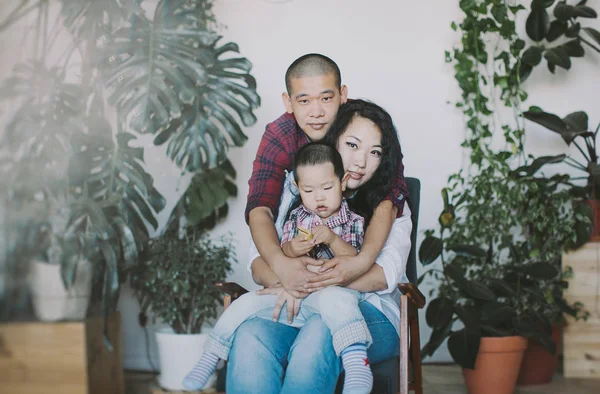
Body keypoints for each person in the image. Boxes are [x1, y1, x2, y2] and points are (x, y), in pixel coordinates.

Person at [226, 97, 412, 394]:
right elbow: (258, 264)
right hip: (298, 308)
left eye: (374, 152)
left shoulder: (388, 204)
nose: (361, 162)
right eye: (352, 145)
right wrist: (289, 277)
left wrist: (308, 285)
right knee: (250, 335)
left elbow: (383, 275)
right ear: (332, 142)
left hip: (373, 315)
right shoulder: (296, 191)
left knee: (321, 329)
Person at [183, 143, 374, 393]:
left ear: (343, 182)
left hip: (329, 293)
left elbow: (355, 259)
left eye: (327, 188)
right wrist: (292, 249)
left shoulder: (353, 220)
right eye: (308, 190)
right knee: (244, 304)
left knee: (338, 300)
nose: (319, 198)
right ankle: (210, 357)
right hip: (294, 295)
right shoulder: (296, 218)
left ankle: (356, 359)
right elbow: (282, 255)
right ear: (297, 188)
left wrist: (331, 239)